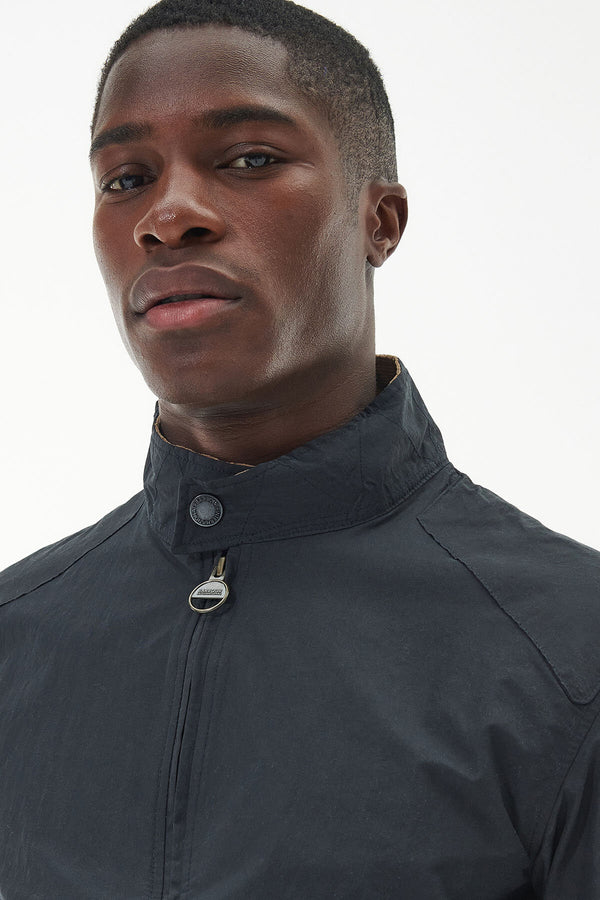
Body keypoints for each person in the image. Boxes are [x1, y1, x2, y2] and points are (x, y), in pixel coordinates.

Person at [0, 0, 598, 896]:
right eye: (126, 178)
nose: (168, 216)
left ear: (379, 221)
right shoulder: (17, 639)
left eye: (249, 159)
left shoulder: (572, 648)